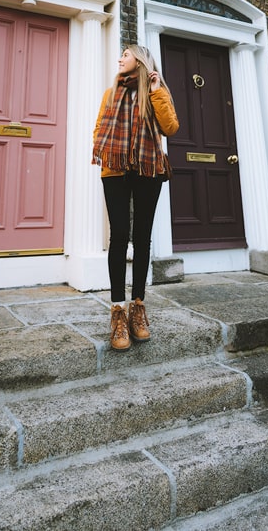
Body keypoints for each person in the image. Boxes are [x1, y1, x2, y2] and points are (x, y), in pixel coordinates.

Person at [92, 44, 179, 351]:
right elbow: (100, 127)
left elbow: (170, 127)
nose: (119, 59)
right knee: (119, 237)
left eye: (125, 55)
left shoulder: (156, 91)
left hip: (148, 168)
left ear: (139, 61)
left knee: (142, 238)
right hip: (115, 169)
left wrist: (156, 90)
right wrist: (108, 153)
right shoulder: (111, 92)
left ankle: (138, 307)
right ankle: (117, 311)